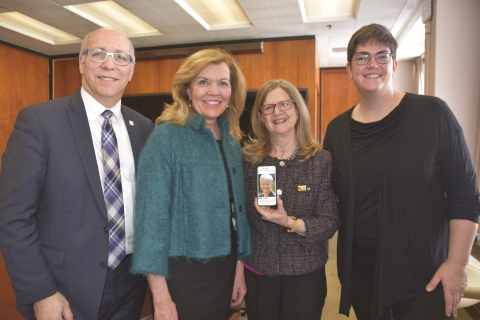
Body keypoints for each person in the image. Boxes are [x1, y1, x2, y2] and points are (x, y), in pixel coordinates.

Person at [323, 23, 480, 320]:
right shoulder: (337, 130)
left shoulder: (433, 114)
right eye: (362, 57)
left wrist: (457, 264)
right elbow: (328, 197)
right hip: (361, 278)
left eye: (382, 56)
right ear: (349, 67)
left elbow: (465, 195)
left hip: (423, 278)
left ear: (394, 65)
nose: (372, 64)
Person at [0, 27, 154, 320]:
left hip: (131, 284)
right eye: (98, 54)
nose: (110, 64)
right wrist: (40, 292)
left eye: (121, 57)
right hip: (63, 288)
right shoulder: (39, 122)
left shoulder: (144, 128)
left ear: (131, 70)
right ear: (81, 62)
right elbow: (13, 217)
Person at [131, 48, 252, 320]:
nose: (214, 91)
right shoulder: (166, 138)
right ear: (187, 89)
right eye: (203, 82)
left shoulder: (232, 141)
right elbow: (150, 223)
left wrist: (239, 269)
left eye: (223, 83)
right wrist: (160, 296)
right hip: (182, 276)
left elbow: (236, 215)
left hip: (224, 270)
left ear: (232, 91)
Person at [242, 79, 340, 320]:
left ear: (297, 109)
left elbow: (330, 221)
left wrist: (290, 223)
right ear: (260, 117)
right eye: (269, 107)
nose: (277, 112)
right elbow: (239, 219)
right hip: (259, 272)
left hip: (305, 274)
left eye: (284, 104)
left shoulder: (320, 160)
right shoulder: (248, 160)